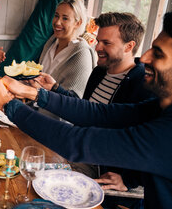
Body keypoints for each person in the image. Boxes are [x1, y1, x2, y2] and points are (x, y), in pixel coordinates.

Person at [0, 12, 172, 207]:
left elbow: (77, 142)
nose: (145, 57)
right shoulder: (157, 107)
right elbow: (97, 113)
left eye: (158, 53)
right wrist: (33, 93)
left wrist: (7, 104)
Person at [32, 12, 154, 206]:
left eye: (107, 43)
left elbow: (150, 142)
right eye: (98, 41)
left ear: (129, 46)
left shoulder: (142, 84)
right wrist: (56, 89)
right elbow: (87, 111)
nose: (97, 47)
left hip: (103, 181)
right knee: (29, 175)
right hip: (79, 157)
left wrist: (130, 180)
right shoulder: (98, 72)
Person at [37, 0, 96, 99]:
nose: (57, 22)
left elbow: (75, 99)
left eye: (65, 18)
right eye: (56, 16)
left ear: (78, 23)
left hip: (55, 114)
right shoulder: (50, 44)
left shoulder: (82, 54)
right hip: (35, 107)